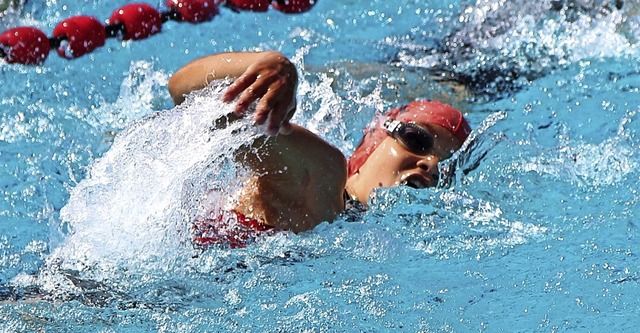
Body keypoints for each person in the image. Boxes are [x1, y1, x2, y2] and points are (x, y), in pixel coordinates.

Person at [168, 50, 471, 248]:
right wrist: (265, 66)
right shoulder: (322, 173)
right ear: (372, 144)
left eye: (445, 168)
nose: (431, 165)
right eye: (418, 140)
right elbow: (187, 96)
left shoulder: (355, 235)